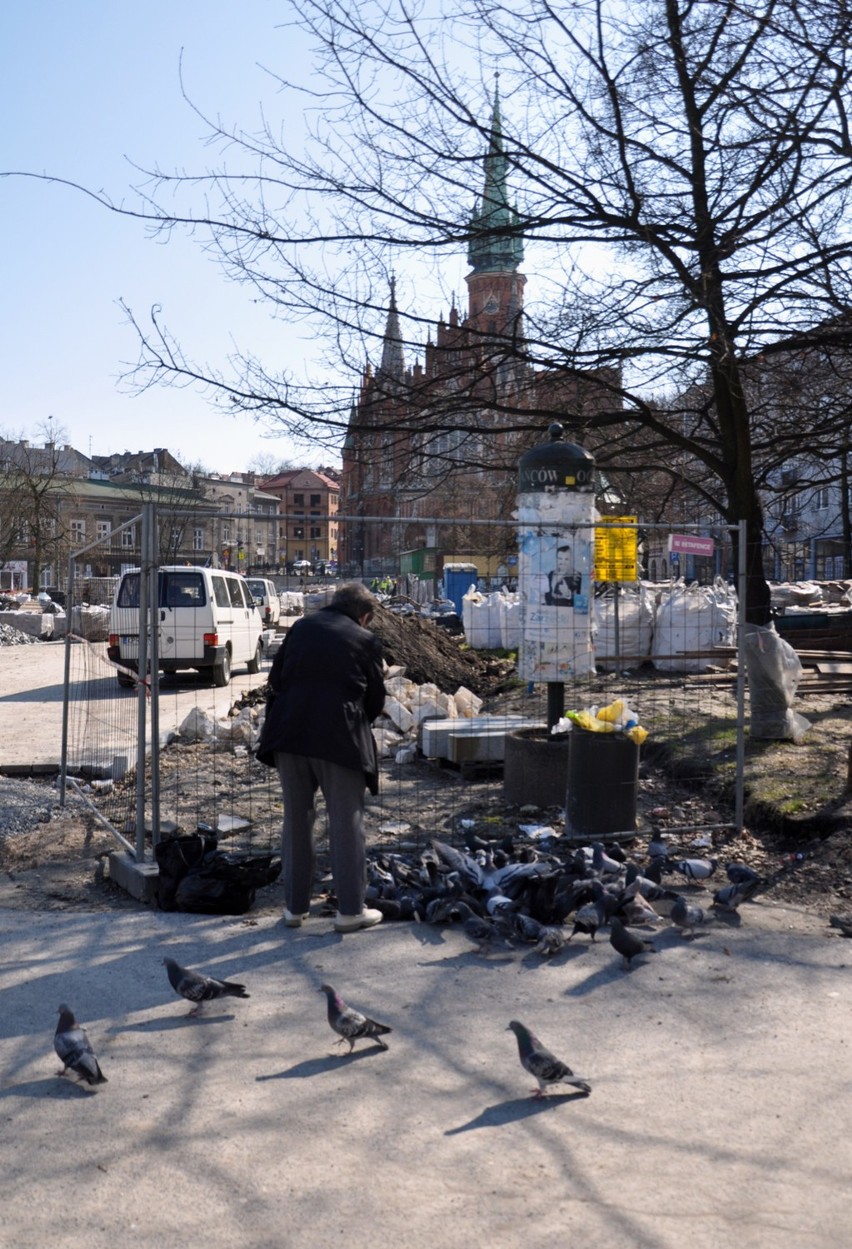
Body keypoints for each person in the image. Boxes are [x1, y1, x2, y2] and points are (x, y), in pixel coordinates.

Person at [256, 581, 386, 933]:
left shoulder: (301, 627)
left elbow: (276, 678)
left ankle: (294, 910)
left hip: (288, 732)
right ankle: (350, 912)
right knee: (346, 822)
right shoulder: (365, 640)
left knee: (297, 821)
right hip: (339, 739)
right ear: (364, 615)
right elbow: (375, 701)